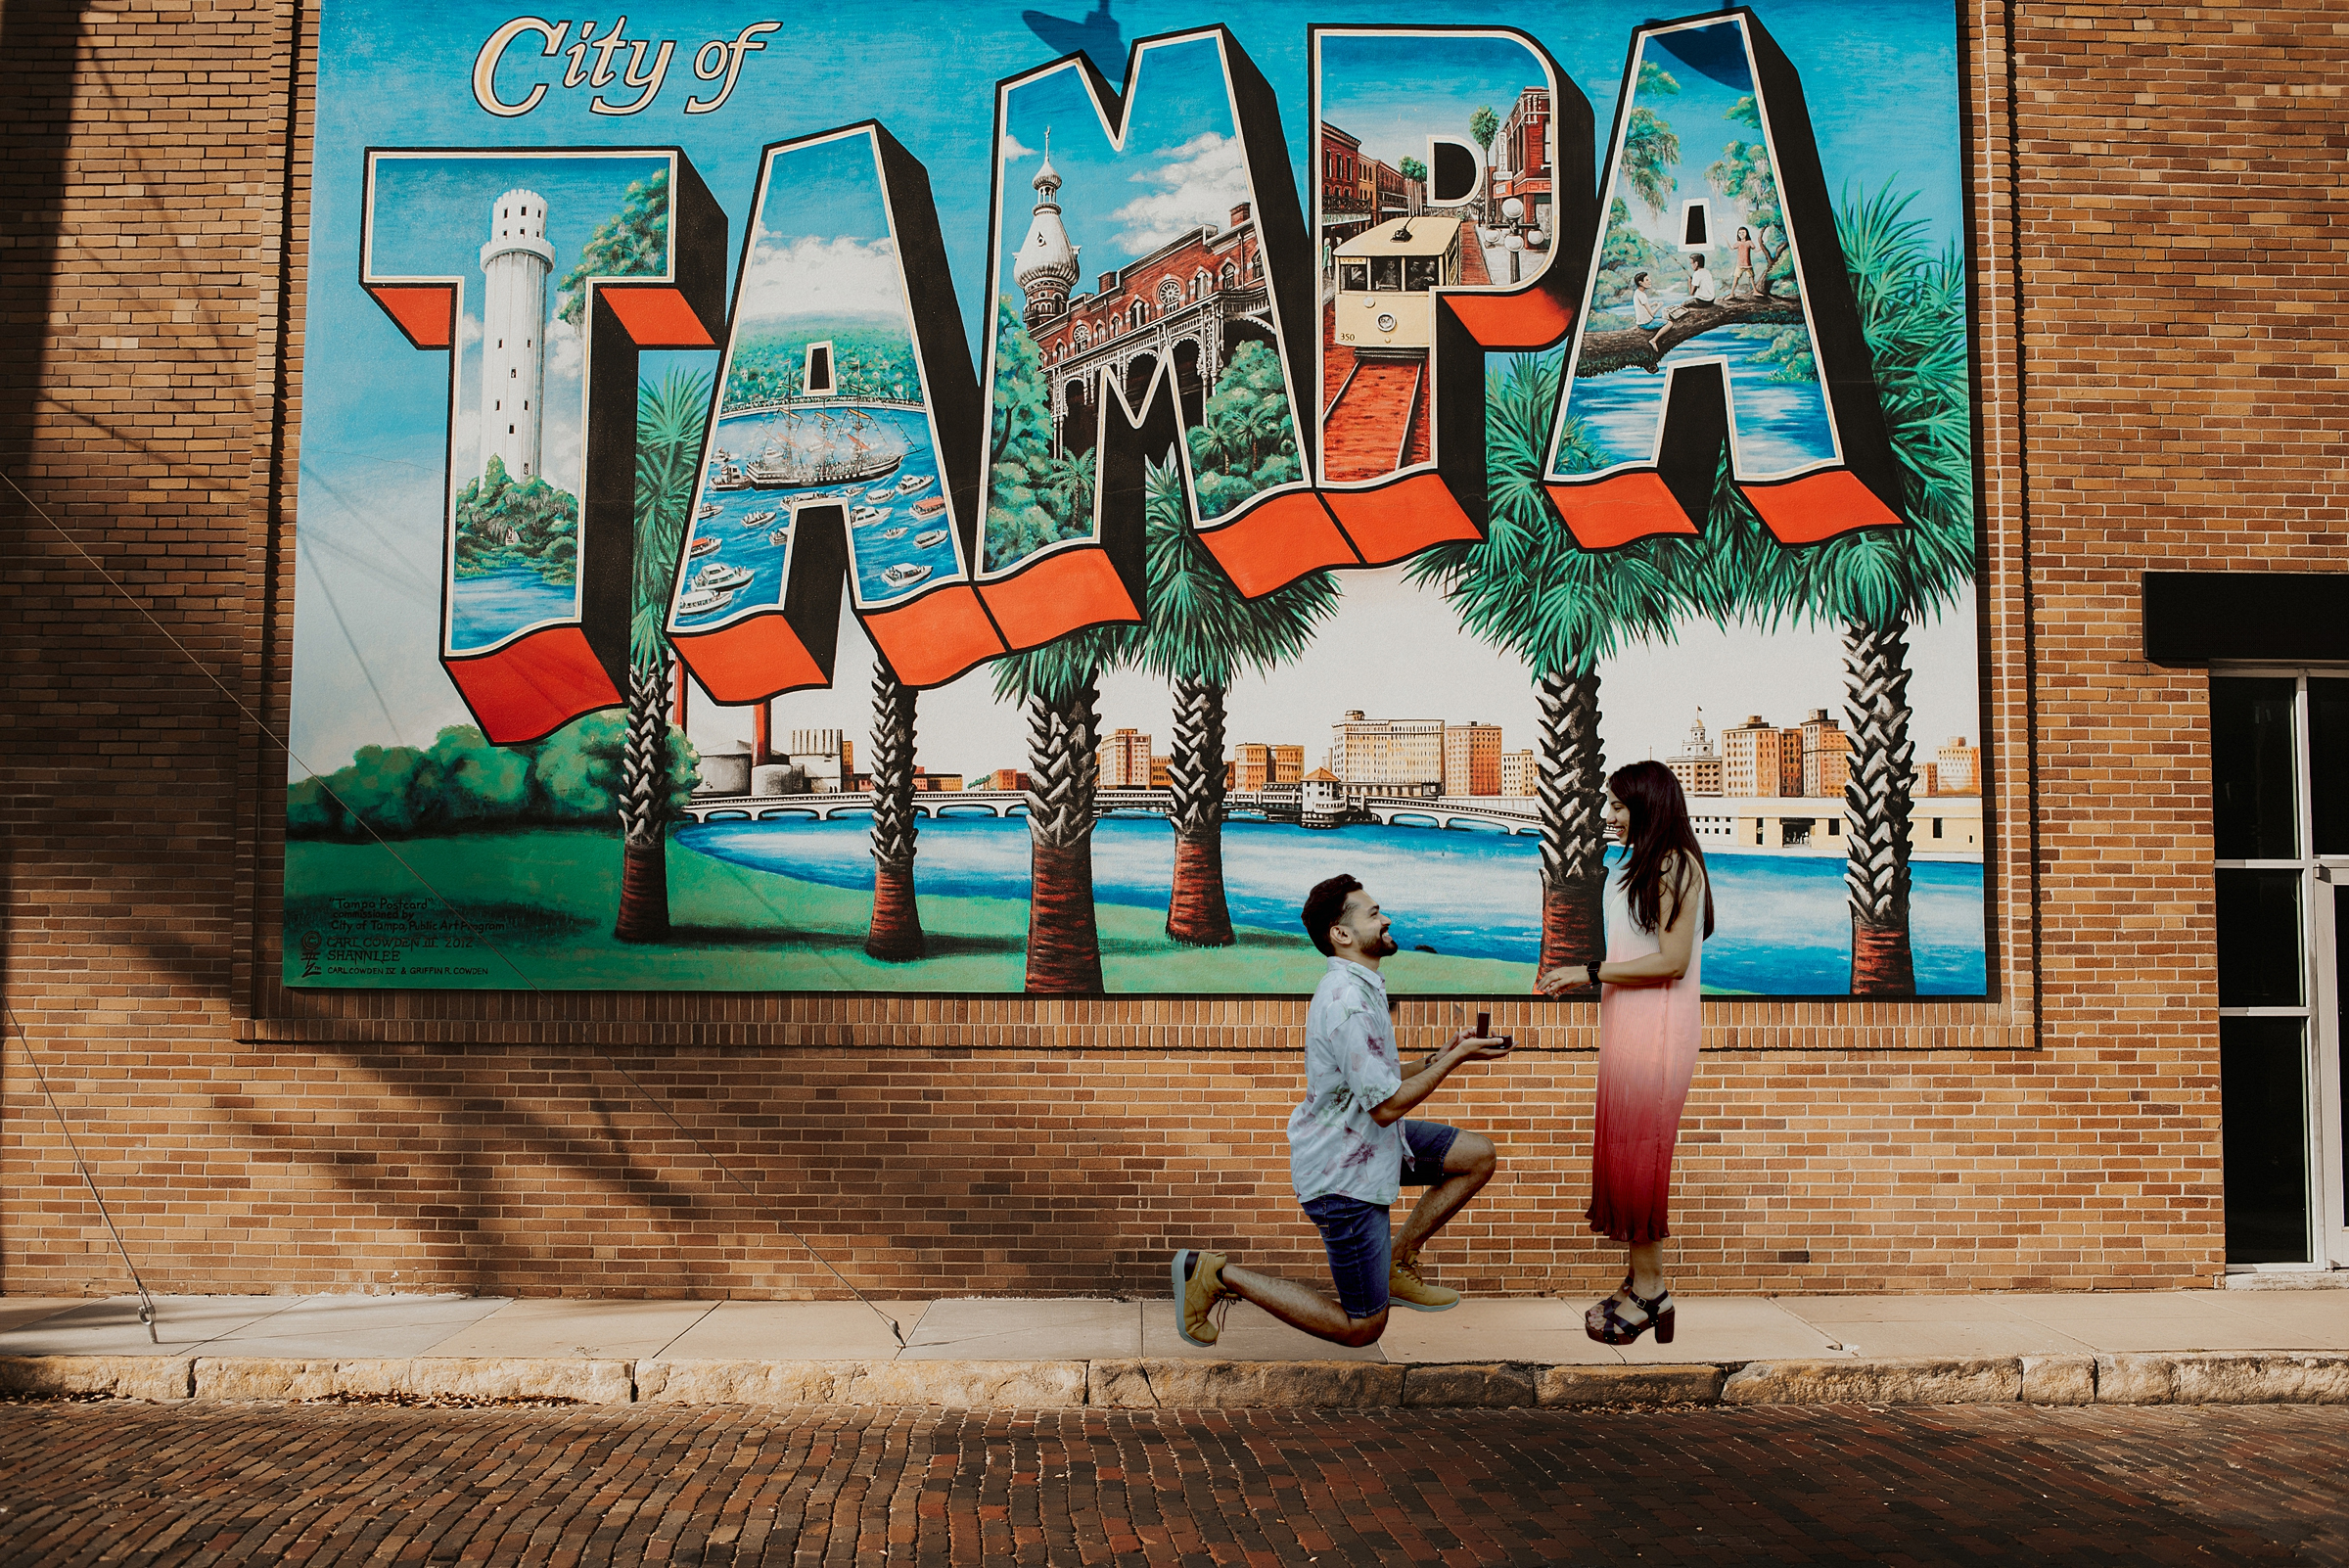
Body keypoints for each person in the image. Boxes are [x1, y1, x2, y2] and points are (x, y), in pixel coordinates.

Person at [1174, 875, 1510, 1350]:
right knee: (1362, 1327)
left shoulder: (1361, 987)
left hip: (1368, 1145)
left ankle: (1397, 1261)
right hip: (1342, 1173)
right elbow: (1386, 1106)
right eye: (1374, 913)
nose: (1386, 918)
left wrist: (1442, 1054)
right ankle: (1213, 1274)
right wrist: (1454, 1062)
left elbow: (1375, 1078)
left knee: (1477, 1156)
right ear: (1342, 934)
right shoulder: (1347, 1001)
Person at [1537, 760, 1714, 1346]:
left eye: (1618, 805)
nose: (1608, 815)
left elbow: (1673, 961)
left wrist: (1588, 971)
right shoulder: (1640, 864)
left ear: (1647, 805)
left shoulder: (1674, 865)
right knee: (1626, 1152)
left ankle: (1652, 1293)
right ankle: (1639, 1281)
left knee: (1642, 1157)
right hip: (1630, 1024)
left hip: (1657, 1029)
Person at [1667, 255, 1719, 322]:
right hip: (1711, 300)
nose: (1691, 265)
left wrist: (1689, 282)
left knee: (1683, 304)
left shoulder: (1697, 274)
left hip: (1702, 301)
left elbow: (1691, 293)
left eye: (1691, 263)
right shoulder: (1707, 272)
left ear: (1696, 264)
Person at [1728, 226, 1758, 297]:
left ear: (1746, 233)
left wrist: (1762, 247)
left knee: (1751, 278)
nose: (1741, 234)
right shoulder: (1738, 243)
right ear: (1738, 234)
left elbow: (1755, 250)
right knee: (1736, 279)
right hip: (1740, 265)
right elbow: (1732, 248)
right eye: (1740, 233)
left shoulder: (1749, 242)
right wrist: (1726, 239)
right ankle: (1731, 293)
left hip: (1748, 265)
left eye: (1743, 232)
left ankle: (1755, 291)